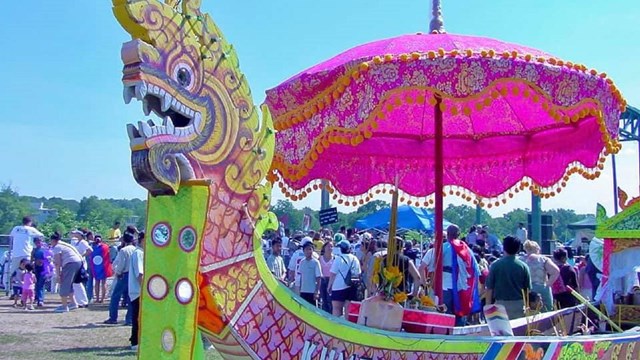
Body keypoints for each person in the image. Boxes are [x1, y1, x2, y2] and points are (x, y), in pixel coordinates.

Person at [420, 225, 480, 326]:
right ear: (459, 235)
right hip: (461, 287)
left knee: (444, 315)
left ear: (447, 234)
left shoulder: (441, 248)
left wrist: (425, 283)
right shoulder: (467, 250)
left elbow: (423, 267)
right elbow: (476, 271)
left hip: (444, 286)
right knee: (459, 316)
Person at [485, 236, 531, 320]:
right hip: (519, 305)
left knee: (501, 332)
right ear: (518, 249)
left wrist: (488, 307)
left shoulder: (495, 265)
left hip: (500, 305)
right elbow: (527, 290)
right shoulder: (523, 266)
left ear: (504, 247)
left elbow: (489, 289)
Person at [104, 232, 136, 325]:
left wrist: (118, 272)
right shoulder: (136, 250)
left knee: (115, 297)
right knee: (131, 297)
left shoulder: (123, 250)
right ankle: (129, 319)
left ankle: (113, 318)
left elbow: (121, 263)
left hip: (124, 274)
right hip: (133, 275)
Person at [521, 240, 559, 311]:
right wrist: (547, 285)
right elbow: (556, 271)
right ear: (537, 249)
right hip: (541, 288)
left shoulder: (521, 260)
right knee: (546, 312)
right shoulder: (543, 259)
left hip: (526, 290)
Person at [50, 232, 83, 313]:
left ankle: (64, 306)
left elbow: (57, 263)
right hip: (77, 262)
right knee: (69, 283)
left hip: (70, 263)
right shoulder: (64, 244)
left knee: (64, 283)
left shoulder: (57, 247)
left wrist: (58, 275)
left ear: (53, 240)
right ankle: (73, 303)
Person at [327, 240, 361, 318]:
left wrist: (329, 286)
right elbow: (358, 273)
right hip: (352, 287)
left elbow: (332, 274)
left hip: (338, 287)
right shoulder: (355, 259)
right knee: (348, 310)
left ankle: (336, 326)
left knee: (336, 309)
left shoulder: (338, 259)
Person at [9, 217, 44, 292]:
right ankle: (24, 290)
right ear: (30, 222)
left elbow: (11, 236)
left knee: (14, 273)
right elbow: (41, 235)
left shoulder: (16, 228)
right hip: (26, 253)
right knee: (26, 272)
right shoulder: (31, 229)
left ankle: (13, 291)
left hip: (15, 253)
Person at [129, 230, 144, 351]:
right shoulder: (138, 253)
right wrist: (146, 291)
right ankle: (135, 341)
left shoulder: (141, 252)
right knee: (138, 317)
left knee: (141, 316)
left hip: (139, 291)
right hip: (138, 291)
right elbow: (140, 274)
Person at [70, 230, 91, 308]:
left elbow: (90, 250)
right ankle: (79, 301)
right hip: (77, 263)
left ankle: (84, 301)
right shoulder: (77, 242)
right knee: (76, 283)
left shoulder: (83, 242)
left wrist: (81, 256)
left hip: (81, 264)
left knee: (78, 283)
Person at [91, 235, 114, 303]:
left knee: (97, 283)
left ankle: (98, 298)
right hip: (104, 267)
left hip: (96, 267)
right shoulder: (105, 247)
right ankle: (102, 299)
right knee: (103, 283)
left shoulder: (93, 247)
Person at [31, 238, 50, 307]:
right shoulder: (34, 250)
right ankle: (37, 298)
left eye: (40, 241)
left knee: (40, 284)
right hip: (36, 269)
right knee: (37, 284)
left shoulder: (46, 249)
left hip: (44, 269)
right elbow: (32, 259)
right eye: (36, 242)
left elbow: (50, 259)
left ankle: (40, 300)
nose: (38, 243)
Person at [319, 241, 334, 313]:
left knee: (330, 300)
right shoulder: (320, 258)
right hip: (322, 280)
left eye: (331, 246)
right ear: (324, 248)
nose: (330, 248)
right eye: (328, 246)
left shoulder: (334, 258)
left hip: (331, 280)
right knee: (323, 299)